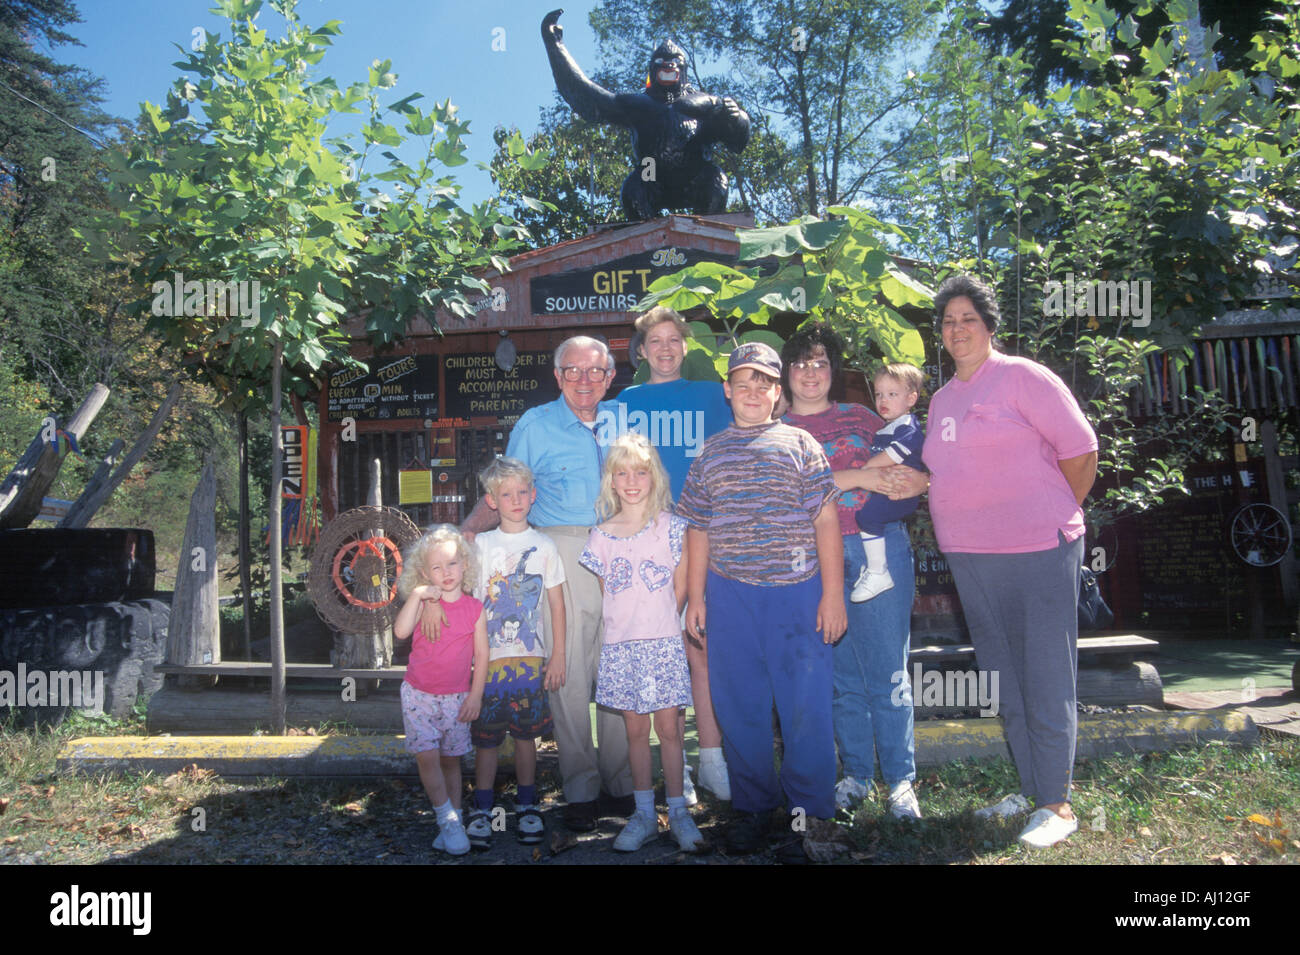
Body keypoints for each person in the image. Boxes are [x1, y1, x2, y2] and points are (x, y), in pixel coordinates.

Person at [920, 274, 1098, 848]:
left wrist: (1048, 513)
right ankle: (1032, 787)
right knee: (1005, 679)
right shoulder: (942, 399)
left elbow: (1081, 451)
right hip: (971, 558)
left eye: (968, 318)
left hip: (1040, 550)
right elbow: (946, 472)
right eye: (948, 321)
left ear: (990, 326)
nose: (957, 329)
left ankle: (1059, 804)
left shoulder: (1023, 377)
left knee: (1045, 674)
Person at [455, 335, 632, 833]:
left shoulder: (625, 421)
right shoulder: (534, 425)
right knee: (569, 672)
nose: (583, 379)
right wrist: (467, 533)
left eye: (594, 371)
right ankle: (580, 787)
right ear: (556, 376)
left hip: (622, 549)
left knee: (618, 664)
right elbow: (504, 489)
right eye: (571, 370)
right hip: (562, 550)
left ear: (609, 377)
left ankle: (622, 785)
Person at [677, 342, 847, 859]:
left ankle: (808, 812)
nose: (753, 393)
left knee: (805, 708)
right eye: (742, 384)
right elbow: (699, 530)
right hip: (730, 596)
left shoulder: (800, 445)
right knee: (740, 706)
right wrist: (697, 598)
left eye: (764, 385)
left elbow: (825, 520)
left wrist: (833, 595)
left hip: (798, 595)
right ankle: (752, 807)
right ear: (727, 390)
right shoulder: (709, 452)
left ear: (778, 393)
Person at [781, 326, 922, 821]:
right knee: (841, 679)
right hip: (812, 561)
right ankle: (859, 774)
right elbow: (794, 492)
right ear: (786, 371)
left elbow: (907, 476)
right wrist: (862, 476)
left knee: (888, 671)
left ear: (833, 370)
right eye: (800, 362)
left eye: (820, 362)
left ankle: (902, 781)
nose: (811, 372)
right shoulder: (774, 427)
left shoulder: (863, 416)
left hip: (878, 552)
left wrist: (912, 481)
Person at [604, 305, 733, 803]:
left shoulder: (712, 395)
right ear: (641, 351)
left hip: (704, 534)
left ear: (685, 346)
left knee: (699, 652)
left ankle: (714, 761)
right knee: (662, 655)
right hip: (648, 543)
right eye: (654, 341)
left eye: (672, 340)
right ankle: (673, 777)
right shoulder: (628, 401)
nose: (664, 348)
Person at [579, 433, 703, 852]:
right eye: (622, 472)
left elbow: (680, 591)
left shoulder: (672, 527)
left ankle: (679, 813)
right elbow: (607, 594)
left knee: (669, 730)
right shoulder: (600, 536)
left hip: (663, 645)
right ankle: (644, 814)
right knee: (635, 732)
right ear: (611, 481)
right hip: (622, 648)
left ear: (654, 477)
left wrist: (659, 626)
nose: (631, 480)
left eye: (641, 472)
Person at [464, 457, 567, 849]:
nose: (516, 499)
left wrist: (556, 656)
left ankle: (527, 807)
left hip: (529, 662)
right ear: (492, 501)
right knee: (486, 740)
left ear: (534, 495)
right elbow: (470, 605)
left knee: (526, 739)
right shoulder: (482, 546)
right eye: (506, 494)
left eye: (523, 492)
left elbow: (557, 606)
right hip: (486, 666)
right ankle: (483, 810)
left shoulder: (545, 546)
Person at [393, 524, 489, 857]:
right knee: (428, 757)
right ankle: (446, 819)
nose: (446, 573)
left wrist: (475, 696)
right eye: (436, 567)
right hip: (419, 695)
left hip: (458, 698)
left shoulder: (475, 609)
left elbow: (482, 656)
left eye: (451, 564)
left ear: (465, 564)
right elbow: (401, 632)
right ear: (424, 572)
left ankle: (455, 819)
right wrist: (420, 595)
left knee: (451, 761)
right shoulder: (421, 604)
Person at [849, 363, 927, 602]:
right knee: (867, 514)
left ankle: (877, 571)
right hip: (889, 489)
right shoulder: (888, 427)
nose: (883, 400)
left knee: (868, 516)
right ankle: (875, 570)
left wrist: (865, 470)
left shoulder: (908, 428)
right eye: (879, 394)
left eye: (892, 394)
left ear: (911, 398)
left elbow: (893, 455)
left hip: (901, 492)